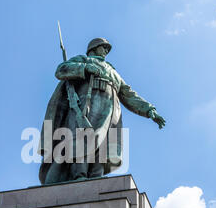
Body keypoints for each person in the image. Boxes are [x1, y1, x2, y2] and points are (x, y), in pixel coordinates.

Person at [38, 38, 165, 185]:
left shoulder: (113, 72)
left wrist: (149, 110)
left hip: (110, 110)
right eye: (103, 47)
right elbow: (61, 69)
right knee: (83, 139)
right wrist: (84, 68)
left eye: (107, 48)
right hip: (87, 104)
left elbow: (129, 94)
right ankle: (80, 174)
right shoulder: (84, 59)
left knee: (103, 143)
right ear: (94, 48)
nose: (106, 51)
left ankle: (95, 175)